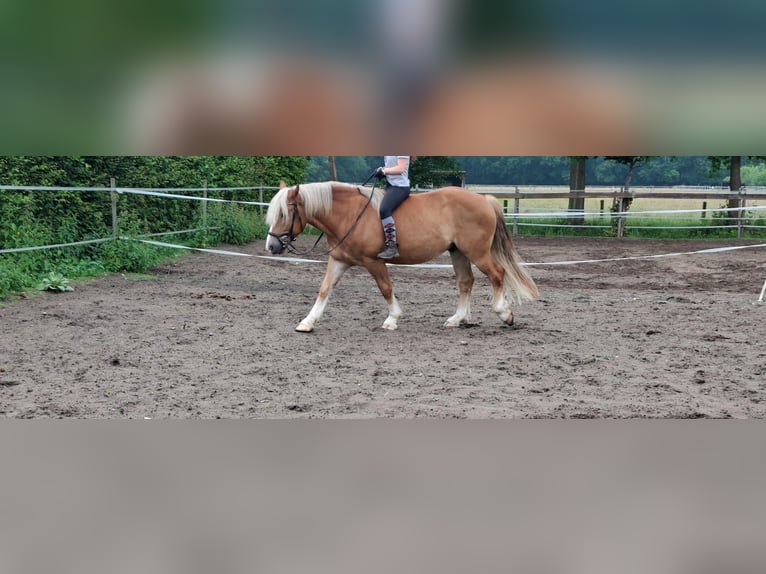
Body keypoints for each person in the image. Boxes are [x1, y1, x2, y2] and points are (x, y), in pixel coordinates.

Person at [374, 156, 411, 259]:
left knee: (384, 210)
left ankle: (392, 246)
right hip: (390, 185)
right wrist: (381, 172)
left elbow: (400, 169)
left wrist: (384, 171)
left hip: (400, 187)